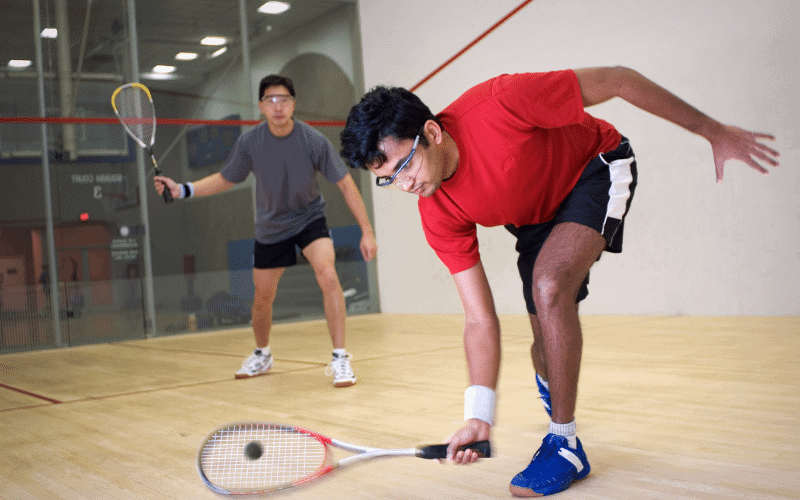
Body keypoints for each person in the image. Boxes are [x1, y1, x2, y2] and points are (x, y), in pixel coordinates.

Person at [340, 66, 778, 496]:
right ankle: (555, 388)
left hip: (596, 168)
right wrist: (480, 415)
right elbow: (478, 319)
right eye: (387, 179)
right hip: (535, 220)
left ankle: (565, 444)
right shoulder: (436, 211)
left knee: (548, 286)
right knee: (544, 345)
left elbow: (620, 79)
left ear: (432, 133)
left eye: (405, 165)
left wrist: (712, 130)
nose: (405, 183)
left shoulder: (500, 102)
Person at [155, 74, 377, 388]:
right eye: (271, 100)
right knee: (263, 298)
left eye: (284, 99)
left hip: (310, 219)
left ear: (293, 104)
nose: (278, 106)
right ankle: (263, 354)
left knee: (328, 274)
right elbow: (225, 179)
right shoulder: (249, 142)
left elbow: (345, 184)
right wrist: (183, 190)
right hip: (271, 228)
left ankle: (340, 357)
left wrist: (366, 230)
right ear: (261, 106)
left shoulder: (313, 140)